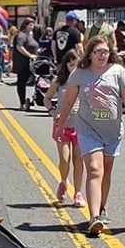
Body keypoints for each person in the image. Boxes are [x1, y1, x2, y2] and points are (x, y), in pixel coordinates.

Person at [55, 36, 125, 235]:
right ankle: (93, 217)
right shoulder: (79, 74)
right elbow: (68, 102)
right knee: (94, 169)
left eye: (105, 51)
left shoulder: (118, 72)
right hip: (87, 129)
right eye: (98, 51)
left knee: (106, 171)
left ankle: (101, 207)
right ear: (90, 54)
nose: (102, 55)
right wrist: (60, 126)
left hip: (112, 130)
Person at [43, 50, 84, 208]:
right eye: (70, 64)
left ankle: (78, 193)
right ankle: (63, 181)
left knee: (78, 159)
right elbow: (47, 98)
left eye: (76, 65)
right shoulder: (59, 81)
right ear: (65, 65)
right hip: (62, 125)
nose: (73, 68)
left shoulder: (83, 81)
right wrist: (52, 112)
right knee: (65, 160)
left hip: (80, 126)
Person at [12, 18, 40, 111]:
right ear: (25, 25)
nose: (32, 27)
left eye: (33, 25)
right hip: (23, 63)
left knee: (38, 81)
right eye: (30, 25)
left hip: (33, 63)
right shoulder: (21, 35)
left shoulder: (30, 36)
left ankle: (36, 98)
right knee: (22, 82)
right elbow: (19, 47)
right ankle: (22, 103)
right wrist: (30, 55)